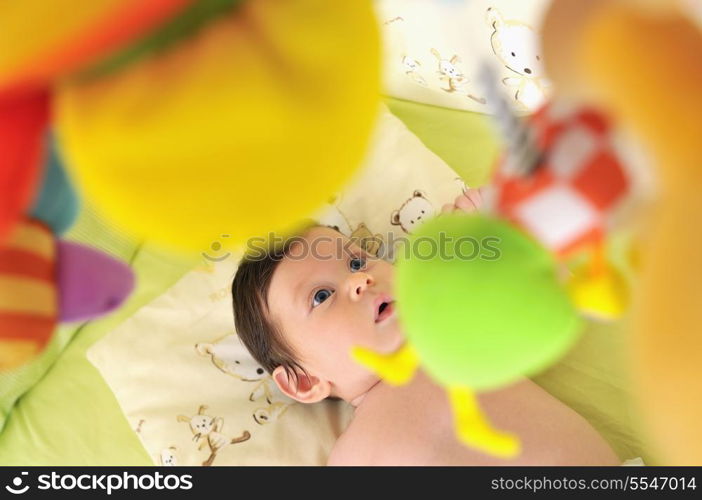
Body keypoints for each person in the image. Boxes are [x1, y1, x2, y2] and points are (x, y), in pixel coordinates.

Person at [231, 190, 620, 465]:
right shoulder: (353, 457)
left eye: (355, 262)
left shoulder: (453, 333)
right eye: (320, 297)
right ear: (304, 382)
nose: (358, 281)